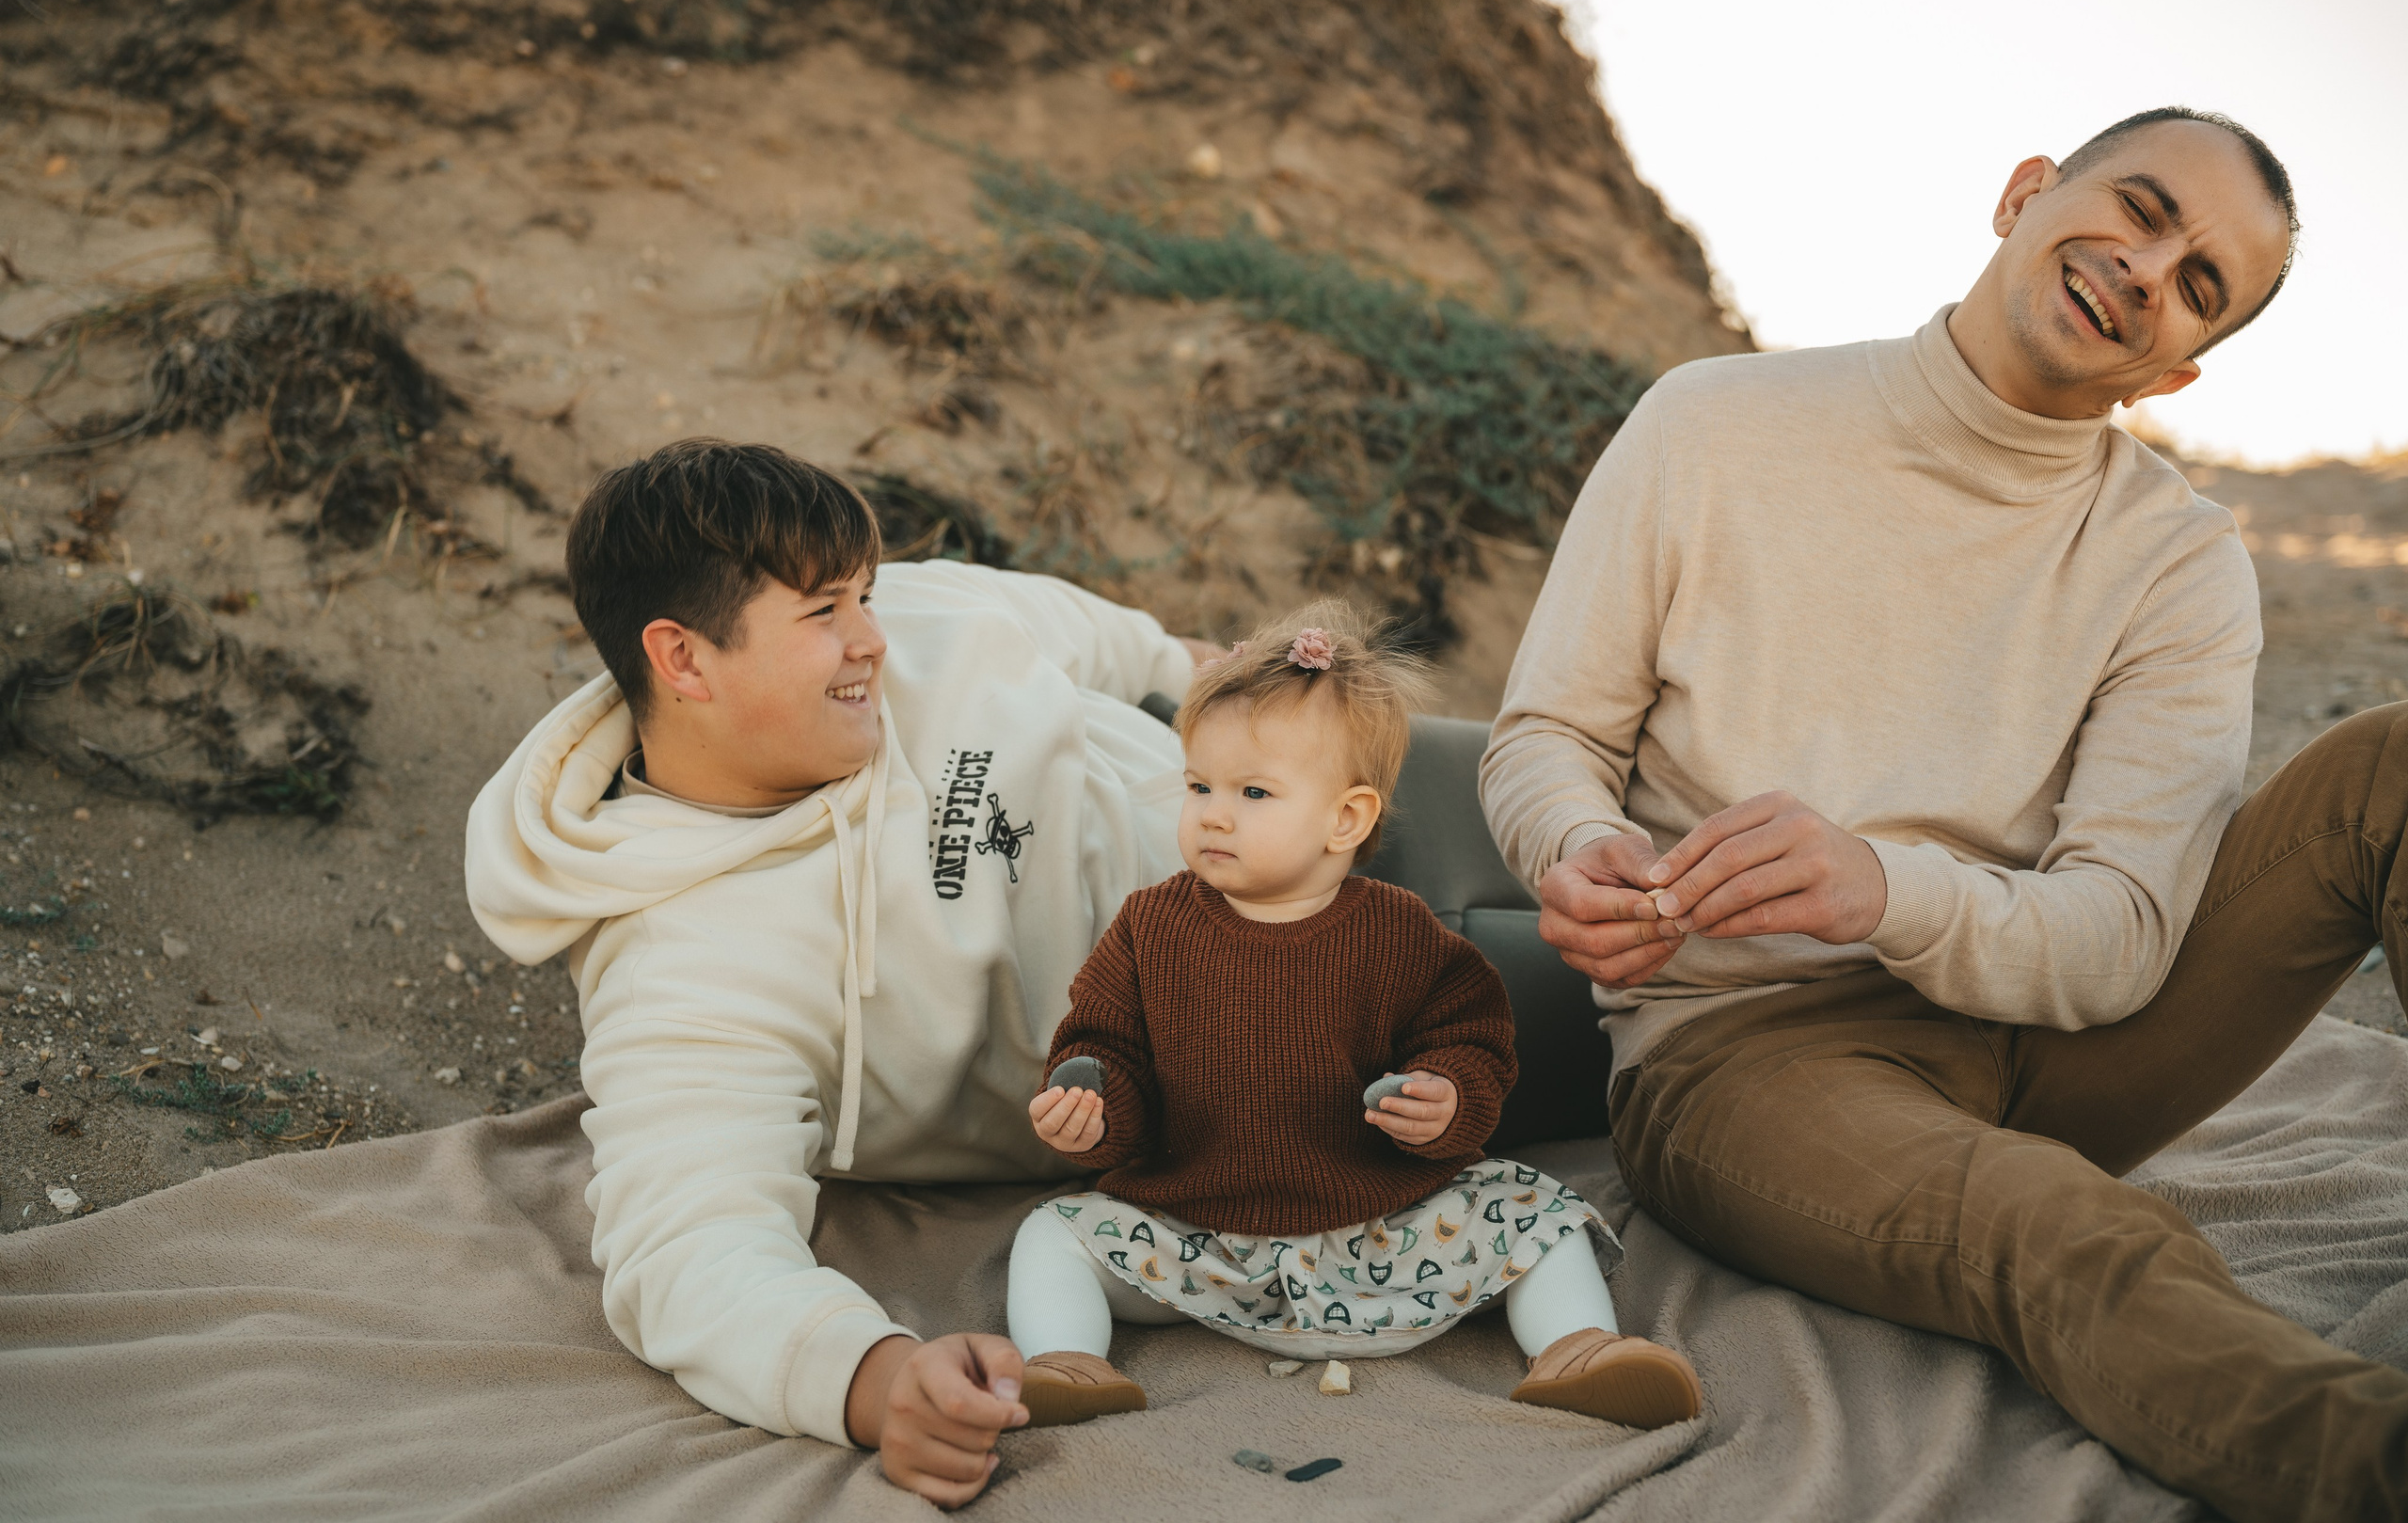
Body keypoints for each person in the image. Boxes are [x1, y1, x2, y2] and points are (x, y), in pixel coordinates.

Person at [1481, 104, 2408, 1522]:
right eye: (2140, 209)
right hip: (1746, 1051)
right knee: (2068, 1227)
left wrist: (1882, 884)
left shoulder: (2178, 562)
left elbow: (2121, 934)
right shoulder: (1710, 424)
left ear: (2178, 364)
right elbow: (1549, 735)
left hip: (2058, 1032)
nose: (2146, 269)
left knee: (2389, 765)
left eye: (2197, 282)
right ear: (2025, 192)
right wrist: (1574, 842)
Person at [466, 437, 1217, 1509]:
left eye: (863, 592)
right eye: (824, 611)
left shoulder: (896, 622)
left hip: (1295, 790)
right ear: (683, 660)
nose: (873, 634)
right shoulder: (687, 964)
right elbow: (691, 1248)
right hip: (1264, 1044)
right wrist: (875, 1379)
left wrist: (1213, 675)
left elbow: (1077, 629)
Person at [1002, 606, 1702, 1429]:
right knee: (1052, 1233)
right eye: (1198, 786)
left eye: (1253, 792)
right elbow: (1103, 1046)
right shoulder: (1149, 925)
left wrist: (1445, 1099)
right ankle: (1065, 1360)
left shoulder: (1399, 931)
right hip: (1201, 1238)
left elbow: (1471, 1041)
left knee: (1540, 1213)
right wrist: (1092, 1111)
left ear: (1348, 818)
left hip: (1385, 1233)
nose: (1214, 813)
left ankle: (1579, 1347)